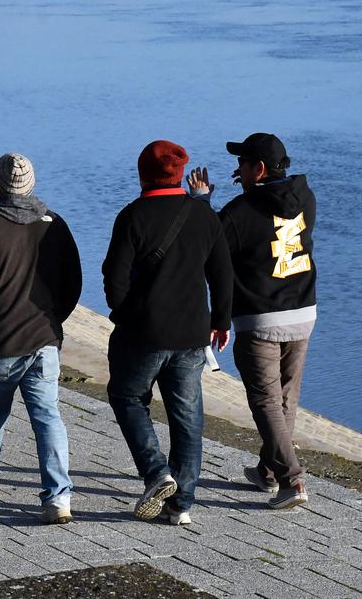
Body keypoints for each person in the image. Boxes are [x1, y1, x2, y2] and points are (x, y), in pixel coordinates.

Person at [102, 140, 232, 526]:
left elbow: (113, 279)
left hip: (143, 331)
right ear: (179, 174)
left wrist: (124, 315)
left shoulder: (132, 216)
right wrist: (220, 321)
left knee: (126, 396)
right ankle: (183, 505)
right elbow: (222, 274)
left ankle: (157, 473)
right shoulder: (204, 216)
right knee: (187, 415)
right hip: (193, 334)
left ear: (143, 173)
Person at [0, 153, 82, 525]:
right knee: (48, 418)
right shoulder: (54, 224)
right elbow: (73, 282)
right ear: (31, 185)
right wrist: (53, 321)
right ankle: (58, 497)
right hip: (43, 341)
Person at [189, 133, 316, 510]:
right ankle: (269, 471)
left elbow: (209, 246)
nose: (237, 170)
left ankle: (292, 480)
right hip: (304, 311)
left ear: (258, 169)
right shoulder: (306, 198)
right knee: (285, 398)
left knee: (265, 399)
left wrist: (201, 203)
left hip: (261, 318)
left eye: (242, 164)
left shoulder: (241, 212)